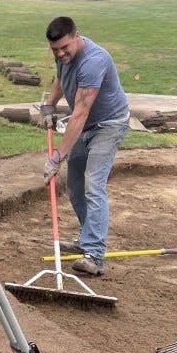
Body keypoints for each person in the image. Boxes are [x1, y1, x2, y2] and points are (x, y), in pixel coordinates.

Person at [40, 16, 130, 276]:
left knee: (93, 183)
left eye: (64, 48)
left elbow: (79, 113)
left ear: (77, 36)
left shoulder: (94, 61)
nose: (60, 54)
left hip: (108, 124)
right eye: (54, 50)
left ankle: (94, 253)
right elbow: (60, 77)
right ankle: (86, 238)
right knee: (76, 185)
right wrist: (50, 104)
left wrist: (57, 156)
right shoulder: (63, 55)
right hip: (86, 125)